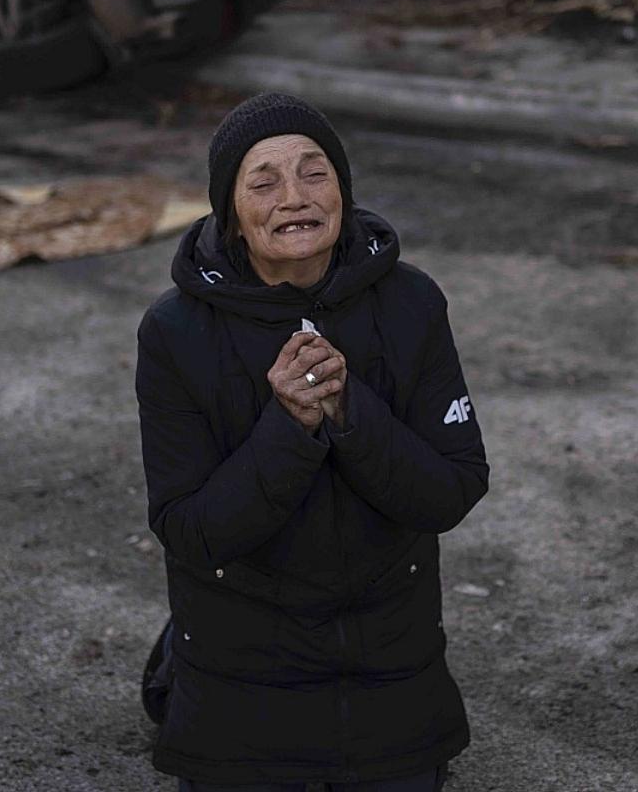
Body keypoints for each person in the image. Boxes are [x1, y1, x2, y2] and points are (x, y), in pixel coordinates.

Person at [137, 92, 489, 791]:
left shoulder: (412, 303)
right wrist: (291, 425)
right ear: (230, 214)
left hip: (389, 654)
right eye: (263, 182)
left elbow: (450, 490)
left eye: (314, 173)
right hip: (243, 663)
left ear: (344, 191)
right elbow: (190, 531)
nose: (294, 197)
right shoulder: (175, 332)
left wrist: (349, 408)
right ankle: (176, 673)